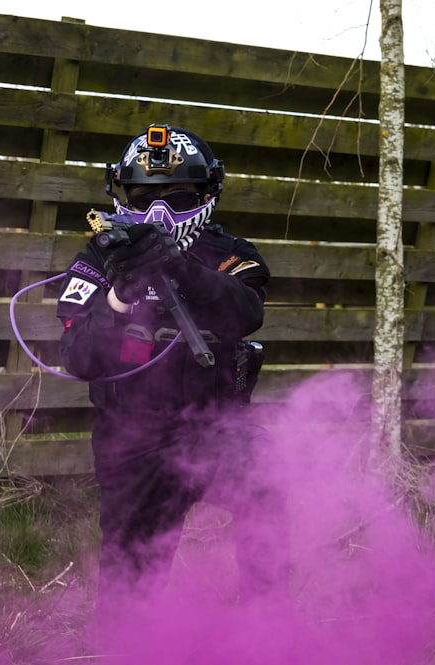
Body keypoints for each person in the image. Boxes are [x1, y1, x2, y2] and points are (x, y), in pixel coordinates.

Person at [55, 125, 288, 624]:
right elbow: (77, 355)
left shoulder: (233, 254)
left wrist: (180, 268)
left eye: (178, 196)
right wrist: (122, 292)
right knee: (130, 577)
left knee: (267, 483)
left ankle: (269, 631)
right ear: (121, 193)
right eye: (143, 196)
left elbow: (244, 312)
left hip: (213, 426)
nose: (159, 212)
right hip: (131, 436)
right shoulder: (98, 258)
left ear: (208, 194)